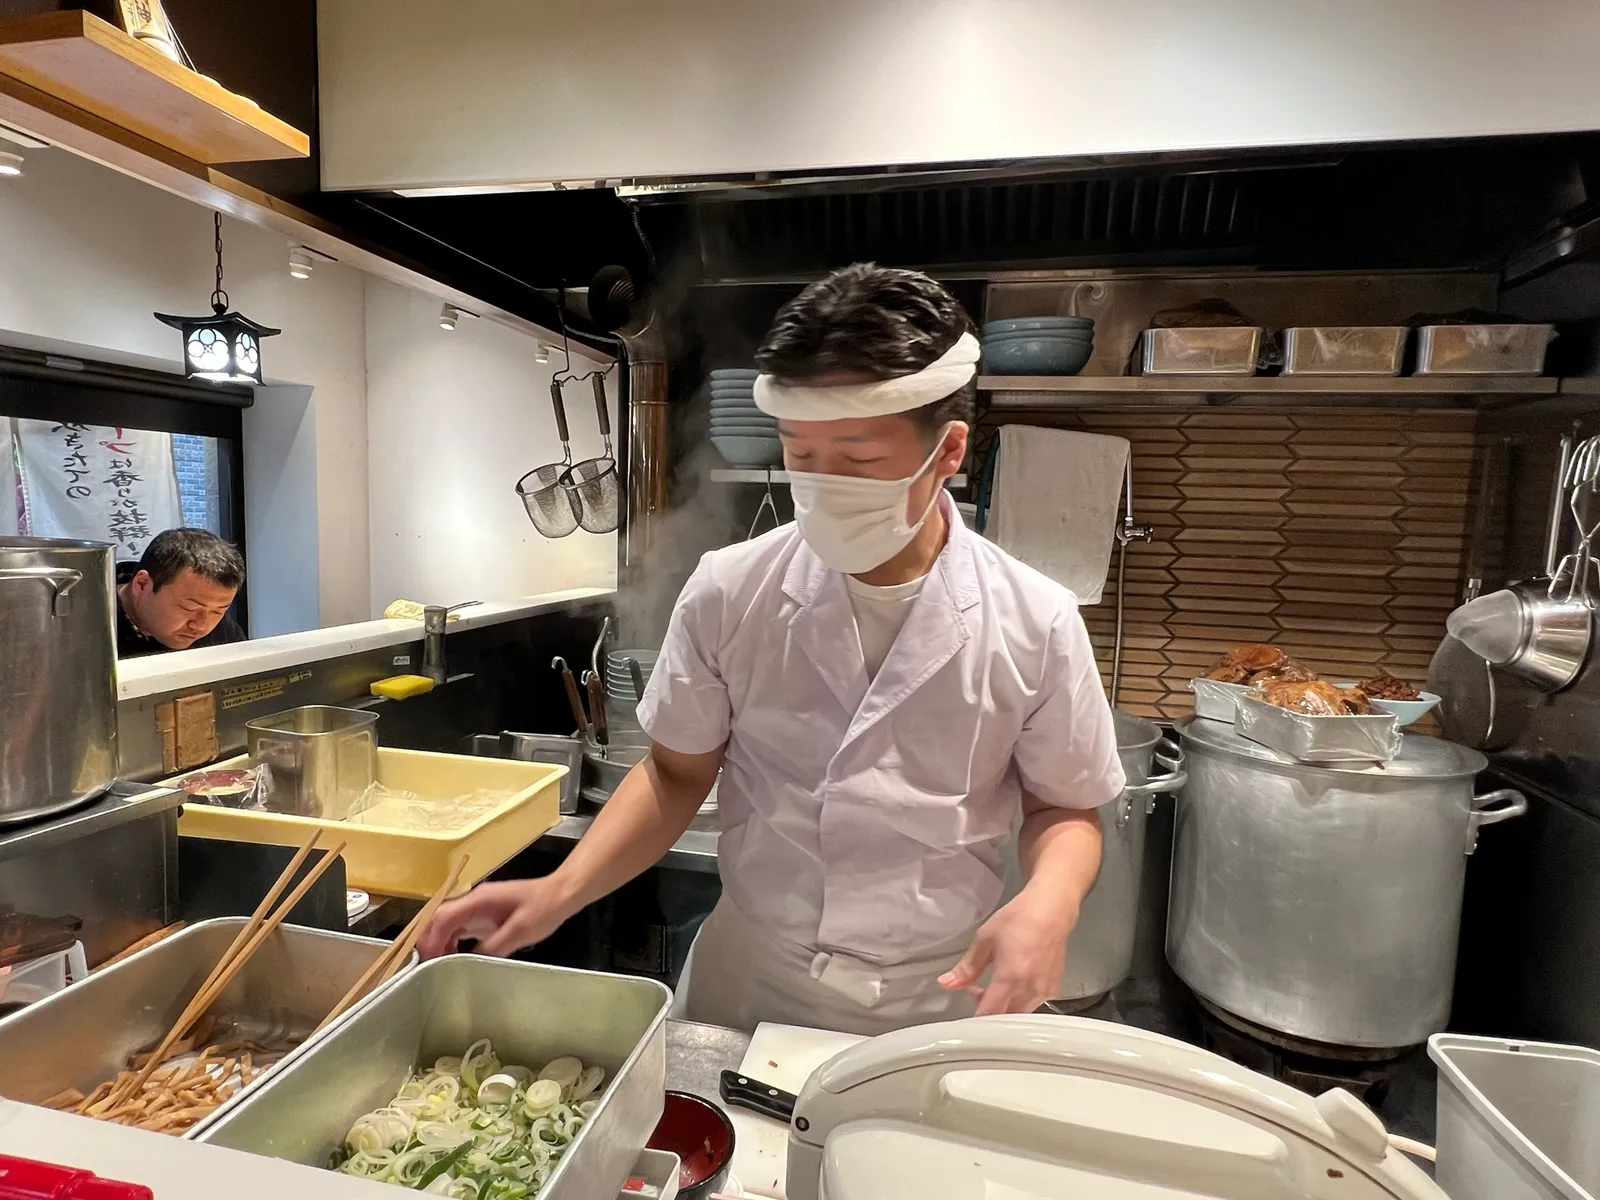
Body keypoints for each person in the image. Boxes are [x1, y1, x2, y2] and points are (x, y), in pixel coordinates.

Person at [420, 263, 1124, 1035]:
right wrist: (558, 891)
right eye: (802, 455)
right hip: (753, 984)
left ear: (949, 451)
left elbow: (1065, 804)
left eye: (857, 460)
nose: (823, 486)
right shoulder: (732, 590)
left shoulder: (1037, 618)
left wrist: (1049, 903)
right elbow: (672, 774)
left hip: (941, 996)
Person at [115, 527, 246, 656]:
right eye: (189, 608)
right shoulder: (97, 624)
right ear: (142, 584)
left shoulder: (211, 615)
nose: (201, 626)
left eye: (218, 611)